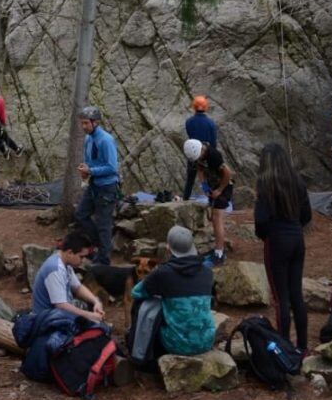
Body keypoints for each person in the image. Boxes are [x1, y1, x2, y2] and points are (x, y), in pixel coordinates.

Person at [254, 142, 312, 354]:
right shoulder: (297, 181)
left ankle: (285, 346)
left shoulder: (265, 184)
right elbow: (307, 215)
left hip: (277, 242)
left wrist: (265, 235)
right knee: (296, 293)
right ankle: (303, 346)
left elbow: (260, 221)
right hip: (297, 239)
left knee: (281, 298)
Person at [130, 225, 215, 356]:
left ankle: (140, 353)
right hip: (206, 342)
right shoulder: (207, 272)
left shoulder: (163, 273)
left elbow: (136, 292)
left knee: (143, 303)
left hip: (176, 345)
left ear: (168, 248)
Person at [75, 106, 119, 264]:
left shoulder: (106, 140)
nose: (83, 126)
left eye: (86, 123)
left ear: (95, 122)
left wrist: (91, 170)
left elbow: (112, 167)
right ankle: (99, 246)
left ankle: (104, 259)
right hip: (94, 185)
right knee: (81, 214)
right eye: (82, 123)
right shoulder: (88, 139)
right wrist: (86, 170)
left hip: (107, 187)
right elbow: (90, 160)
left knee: (104, 224)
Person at [31, 229, 105, 323]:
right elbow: (61, 306)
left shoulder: (65, 263)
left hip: (58, 313)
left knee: (90, 305)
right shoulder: (55, 269)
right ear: (70, 253)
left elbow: (78, 287)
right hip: (47, 320)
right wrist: (89, 316)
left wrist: (96, 301)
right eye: (81, 257)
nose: (83, 260)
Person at [183, 138, 232, 266]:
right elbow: (199, 170)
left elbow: (228, 173)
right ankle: (218, 247)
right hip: (212, 185)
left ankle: (219, 253)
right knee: (213, 219)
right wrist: (204, 186)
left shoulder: (213, 155)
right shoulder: (198, 155)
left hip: (224, 186)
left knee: (217, 218)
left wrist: (220, 190)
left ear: (201, 151)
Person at [183, 96, 217, 200]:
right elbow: (213, 141)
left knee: (190, 178)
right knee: (209, 178)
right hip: (206, 153)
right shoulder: (211, 123)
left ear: (194, 107)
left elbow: (190, 134)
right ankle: (212, 200)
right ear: (206, 107)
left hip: (193, 152)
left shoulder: (189, 122)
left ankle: (186, 198)